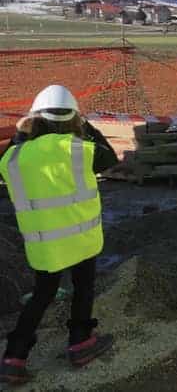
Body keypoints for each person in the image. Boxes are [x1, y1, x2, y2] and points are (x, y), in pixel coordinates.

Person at [0, 86, 118, 384]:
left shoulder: (15, 157)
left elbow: (12, 158)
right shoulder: (81, 150)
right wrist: (85, 125)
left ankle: (14, 355)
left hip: (44, 244)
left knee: (42, 294)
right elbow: (109, 158)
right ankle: (80, 341)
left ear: (34, 120)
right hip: (81, 238)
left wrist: (23, 134)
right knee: (83, 287)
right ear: (74, 119)